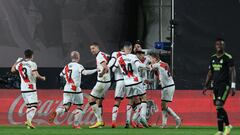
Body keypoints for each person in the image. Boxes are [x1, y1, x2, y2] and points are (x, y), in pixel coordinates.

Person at [49, 51, 97, 129]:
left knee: (66, 107)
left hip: (67, 88)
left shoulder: (67, 66)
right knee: (79, 107)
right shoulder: (78, 66)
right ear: (78, 57)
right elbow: (85, 72)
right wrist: (96, 70)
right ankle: (76, 124)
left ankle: (57, 112)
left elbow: (61, 75)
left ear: (71, 57)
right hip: (75, 89)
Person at [203, 38, 236, 135]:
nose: (219, 46)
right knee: (218, 107)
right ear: (215, 46)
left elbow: (233, 71)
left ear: (223, 46)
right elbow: (210, 73)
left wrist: (233, 86)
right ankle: (220, 130)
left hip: (224, 85)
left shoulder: (228, 57)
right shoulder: (212, 58)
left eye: (221, 44)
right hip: (215, 85)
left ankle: (228, 125)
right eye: (217, 44)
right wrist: (206, 85)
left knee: (218, 104)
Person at [112, 41, 149, 128]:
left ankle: (128, 121)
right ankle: (139, 118)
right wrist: (147, 67)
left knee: (131, 101)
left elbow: (113, 69)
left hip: (127, 83)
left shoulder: (119, 58)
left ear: (124, 49)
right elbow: (139, 65)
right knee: (144, 98)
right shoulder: (133, 56)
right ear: (130, 48)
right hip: (136, 81)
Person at [11, 49, 46, 129]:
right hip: (31, 88)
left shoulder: (20, 64)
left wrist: (17, 61)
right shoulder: (32, 64)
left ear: (25, 55)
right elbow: (35, 74)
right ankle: (28, 121)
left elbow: (12, 70)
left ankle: (29, 124)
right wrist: (42, 77)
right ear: (32, 55)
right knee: (34, 106)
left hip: (23, 89)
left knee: (29, 107)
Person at [149, 52, 181, 128]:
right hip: (166, 86)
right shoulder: (163, 64)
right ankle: (164, 124)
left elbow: (148, 67)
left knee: (164, 105)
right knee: (163, 106)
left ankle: (177, 118)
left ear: (155, 59)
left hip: (168, 87)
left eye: (151, 58)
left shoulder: (158, 65)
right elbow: (160, 78)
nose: (150, 60)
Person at [88, 42, 111, 128]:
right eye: (91, 49)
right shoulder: (103, 54)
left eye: (93, 48)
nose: (92, 50)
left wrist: (101, 73)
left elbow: (105, 67)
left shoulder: (100, 56)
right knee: (99, 101)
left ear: (97, 47)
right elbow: (109, 58)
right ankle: (101, 122)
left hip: (102, 82)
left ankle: (99, 121)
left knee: (91, 99)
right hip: (107, 82)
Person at [108, 49, 126, 128]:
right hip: (129, 81)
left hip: (119, 81)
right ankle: (131, 121)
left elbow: (113, 68)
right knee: (133, 100)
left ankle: (114, 121)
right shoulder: (129, 55)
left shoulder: (115, 54)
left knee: (117, 101)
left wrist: (107, 67)